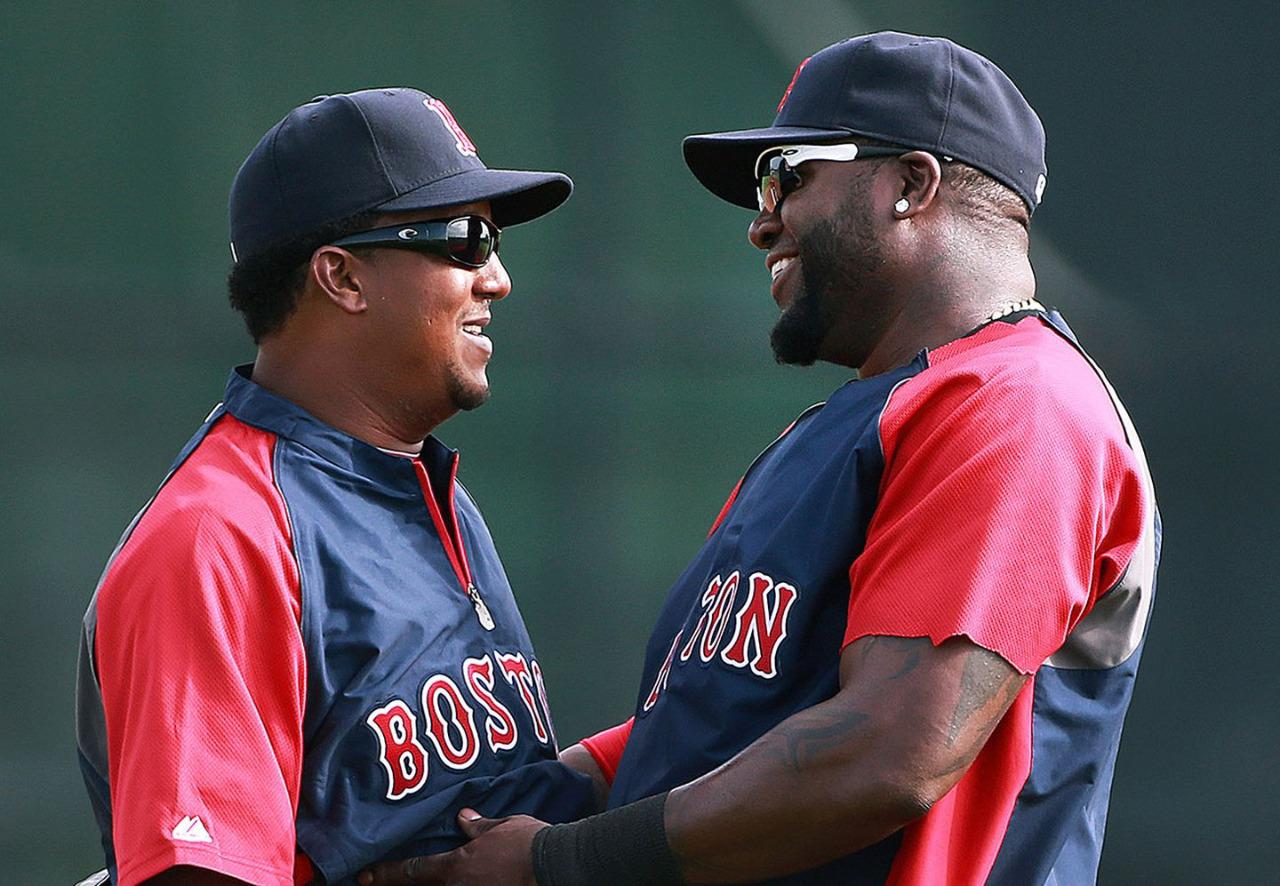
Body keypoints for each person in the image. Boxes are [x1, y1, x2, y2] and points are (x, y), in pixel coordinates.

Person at [361, 32, 1160, 886]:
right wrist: (552, 792)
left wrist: (556, 862)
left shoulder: (1016, 401)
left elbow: (893, 753)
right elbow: (728, 714)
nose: (761, 219)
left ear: (911, 185)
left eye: (790, 174)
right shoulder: (851, 426)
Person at [74, 88, 604, 886]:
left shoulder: (430, 490)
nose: (496, 278)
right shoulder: (222, 532)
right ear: (342, 278)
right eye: (465, 239)